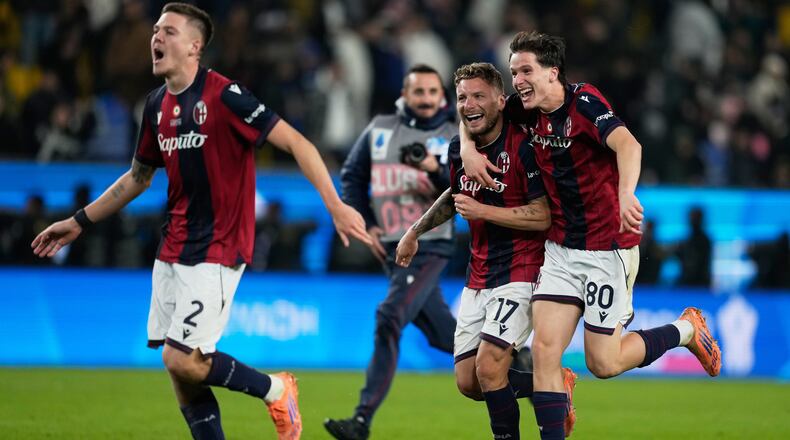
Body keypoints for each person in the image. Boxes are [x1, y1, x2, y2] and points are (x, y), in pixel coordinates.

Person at [31, 3, 370, 440]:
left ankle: (276, 389)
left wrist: (335, 204)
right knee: (181, 374)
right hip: (173, 245)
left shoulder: (226, 96)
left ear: (194, 46)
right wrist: (79, 220)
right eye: (155, 30)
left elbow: (299, 143)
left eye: (168, 31)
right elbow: (138, 178)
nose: (156, 37)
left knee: (182, 358)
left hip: (220, 245)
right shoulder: (154, 106)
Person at [459, 31, 721, 439]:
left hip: (607, 249)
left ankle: (686, 330)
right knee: (545, 352)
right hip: (560, 249)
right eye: (514, 73)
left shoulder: (584, 104)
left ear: (553, 72)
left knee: (604, 363)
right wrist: (466, 150)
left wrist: (626, 193)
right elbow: (476, 114)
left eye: (526, 70)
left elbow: (628, 145)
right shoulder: (523, 109)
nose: (518, 81)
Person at [396, 62, 576, 440]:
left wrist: (484, 211)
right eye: (462, 97)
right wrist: (416, 230)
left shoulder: (524, 145)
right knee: (469, 381)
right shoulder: (458, 149)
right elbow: (457, 196)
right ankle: (552, 385)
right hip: (478, 276)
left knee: (490, 367)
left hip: (523, 271)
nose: (469, 104)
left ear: (500, 99)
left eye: (478, 96)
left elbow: (543, 215)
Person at [323, 64, 458, 440]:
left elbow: (464, 190)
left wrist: (434, 169)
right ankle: (523, 369)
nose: (427, 99)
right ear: (406, 94)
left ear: (443, 97)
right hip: (390, 250)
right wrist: (366, 222)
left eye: (433, 92)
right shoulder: (380, 129)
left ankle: (361, 420)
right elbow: (352, 176)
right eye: (420, 92)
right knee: (445, 337)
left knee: (388, 317)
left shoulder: (454, 136)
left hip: (429, 246)